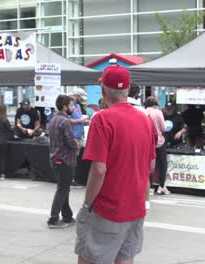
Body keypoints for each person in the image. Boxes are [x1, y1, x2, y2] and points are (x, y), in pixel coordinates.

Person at [76, 65, 156, 264]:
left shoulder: (101, 119)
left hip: (107, 207)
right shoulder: (145, 120)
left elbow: (98, 169)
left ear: (103, 90)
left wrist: (87, 204)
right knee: (125, 258)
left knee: (90, 258)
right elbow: (151, 165)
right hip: (136, 206)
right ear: (128, 90)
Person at [47, 95, 79, 228]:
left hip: (55, 158)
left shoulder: (54, 119)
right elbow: (70, 141)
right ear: (65, 107)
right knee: (63, 188)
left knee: (64, 188)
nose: (72, 107)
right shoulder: (64, 121)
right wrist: (76, 144)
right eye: (71, 105)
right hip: (64, 159)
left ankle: (67, 216)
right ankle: (53, 219)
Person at [128, 83, 151, 210]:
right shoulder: (142, 110)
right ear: (137, 94)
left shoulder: (113, 108)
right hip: (140, 146)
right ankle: (144, 201)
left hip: (124, 146)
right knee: (142, 174)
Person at [145, 96, 169, 195]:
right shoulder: (158, 112)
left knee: (149, 166)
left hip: (147, 142)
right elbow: (163, 128)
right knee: (162, 164)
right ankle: (161, 186)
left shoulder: (142, 112)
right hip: (159, 142)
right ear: (156, 105)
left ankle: (149, 188)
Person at [70, 90, 89, 188]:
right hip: (73, 135)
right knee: (72, 158)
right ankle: (70, 180)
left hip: (78, 135)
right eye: (81, 98)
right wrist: (80, 120)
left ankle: (73, 179)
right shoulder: (69, 105)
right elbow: (67, 120)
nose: (82, 100)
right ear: (76, 96)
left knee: (75, 158)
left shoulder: (78, 106)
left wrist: (84, 121)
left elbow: (78, 118)